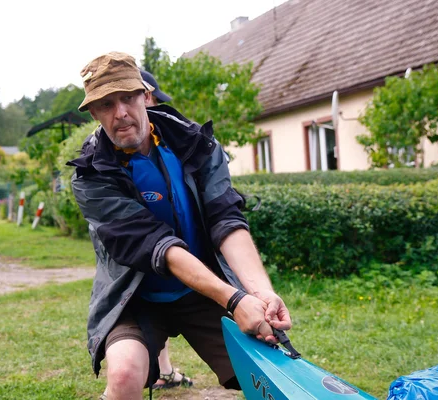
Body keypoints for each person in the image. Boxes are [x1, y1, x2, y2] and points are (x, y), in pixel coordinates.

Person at [68, 52, 292, 400]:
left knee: (271, 368)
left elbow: (226, 218)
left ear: (146, 95)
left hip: (202, 292)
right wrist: (234, 301)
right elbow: (157, 246)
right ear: (94, 113)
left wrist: (258, 292)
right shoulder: (91, 175)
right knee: (125, 371)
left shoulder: (194, 143)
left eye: (127, 98)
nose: (120, 113)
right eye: (106, 104)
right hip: (135, 297)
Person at [139, 69, 193, 390]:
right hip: (150, 256)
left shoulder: (168, 142)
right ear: (146, 96)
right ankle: (159, 372)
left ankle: (165, 371)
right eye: (156, 100)